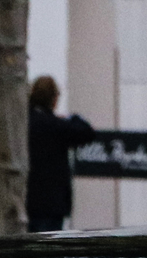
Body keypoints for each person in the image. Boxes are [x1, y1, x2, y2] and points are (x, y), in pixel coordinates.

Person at [26, 76, 96, 233]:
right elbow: (88, 132)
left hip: (27, 200)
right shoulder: (57, 126)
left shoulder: (25, 123)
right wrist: (73, 117)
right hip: (52, 203)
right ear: (53, 99)